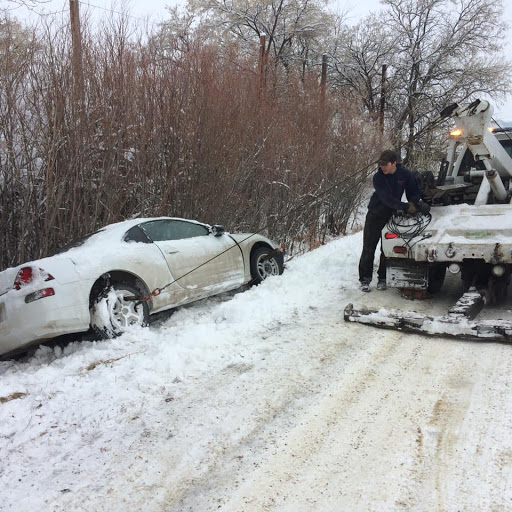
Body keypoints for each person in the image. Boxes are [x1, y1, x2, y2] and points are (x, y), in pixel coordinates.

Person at [358, 150, 422, 292]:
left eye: (385, 165)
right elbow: (386, 198)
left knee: (386, 249)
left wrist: (414, 203)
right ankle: (365, 279)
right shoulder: (378, 178)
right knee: (369, 247)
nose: (382, 167)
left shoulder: (405, 175)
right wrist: (405, 207)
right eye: (380, 165)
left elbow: (414, 191)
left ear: (394, 163)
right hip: (375, 214)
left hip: (391, 216)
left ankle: (382, 277)